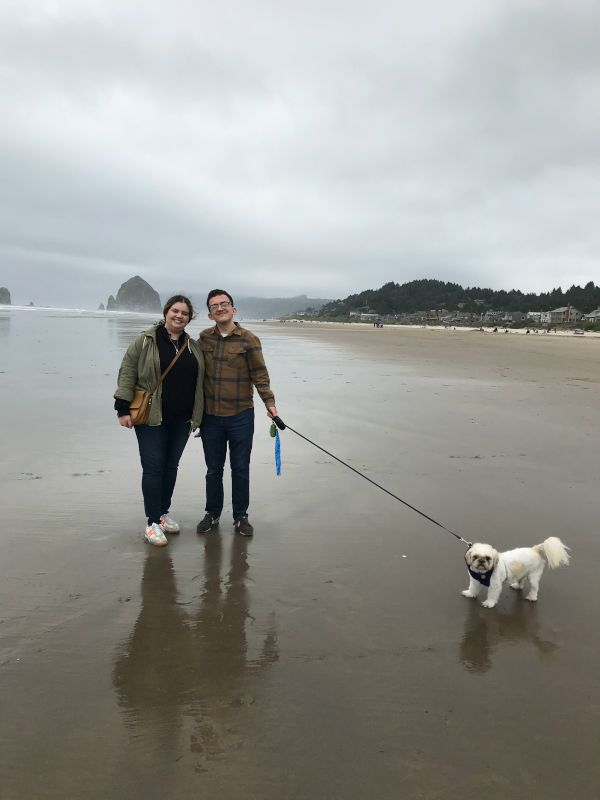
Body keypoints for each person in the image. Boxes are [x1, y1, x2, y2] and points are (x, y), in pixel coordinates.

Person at [114, 295, 205, 546]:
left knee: (170, 467)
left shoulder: (193, 346)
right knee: (153, 468)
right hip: (151, 417)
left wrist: (199, 417)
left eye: (184, 313)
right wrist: (122, 408)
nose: (179, 316)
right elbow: (127, 371)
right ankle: (152, 523)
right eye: (175, 311)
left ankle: (163, 514)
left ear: (189, 318)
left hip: (182, 420)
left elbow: (200, 383)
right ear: (166, 312)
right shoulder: (145, 341)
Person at [196, 289, 277, 537]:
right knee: (213, 469)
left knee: (240, 468)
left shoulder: (248, 340)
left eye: (224, 304)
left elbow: (260, 375)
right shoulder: (203, 340)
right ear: (210, 314)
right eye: (214, 306)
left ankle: (241, 516)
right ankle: (212, 513)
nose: (220, 308)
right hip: (211, 417)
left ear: (233, 309)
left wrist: (269, 403)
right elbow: (194, 376)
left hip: (241, 415)